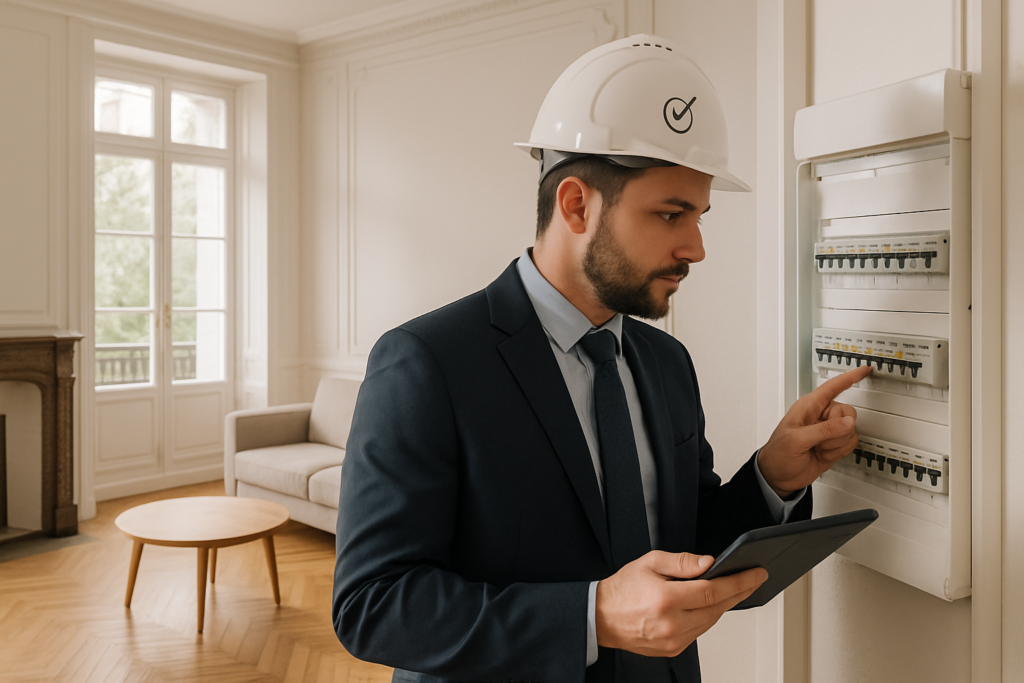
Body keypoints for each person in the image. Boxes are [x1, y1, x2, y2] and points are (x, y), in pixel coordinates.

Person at [332, 34, 871, 683]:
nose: (696, 246)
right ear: (576, 204)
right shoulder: (426, 362)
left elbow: (684, 544)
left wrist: (772, 477)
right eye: (672, 214)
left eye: (699, 214)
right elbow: (373, 605)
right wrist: (592, 614)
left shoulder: (667, 362)